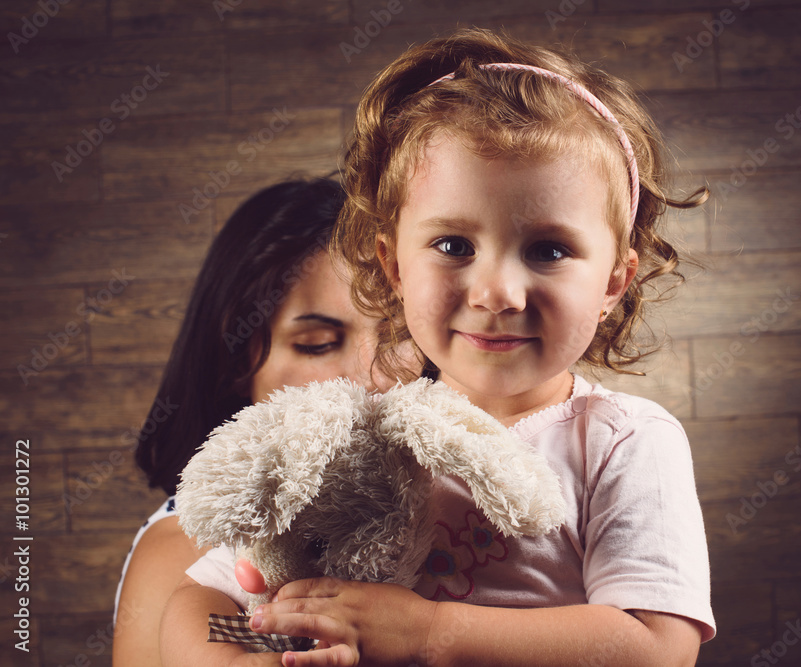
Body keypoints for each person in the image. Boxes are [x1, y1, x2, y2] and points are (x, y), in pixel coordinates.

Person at [162, 28, 715, 667]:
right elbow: (197, 601)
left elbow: (657, 646)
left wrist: (431, 633)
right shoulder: (354, 439)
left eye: (549, 250)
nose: (498, 292)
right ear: (393, 265)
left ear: (614, 281)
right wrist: (248, 654)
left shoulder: (623, 442)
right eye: (454, 245)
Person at [112, 178, 386, 666]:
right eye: (319, 343)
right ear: (238, 360)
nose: (370, 376)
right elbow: (234, 636)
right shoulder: (190, 549)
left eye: (396, 335)